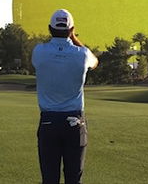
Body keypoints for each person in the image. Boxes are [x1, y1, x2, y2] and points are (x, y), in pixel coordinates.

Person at [32, 9, 99, 184]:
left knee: (49, 179)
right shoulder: (82, 54)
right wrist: (73, 38)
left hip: (48, 122)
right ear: (72, 30)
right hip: (74, 122)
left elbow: (50, 50)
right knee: (74, 180)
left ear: (49, 28)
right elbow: (95, 62)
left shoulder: (39, 51)